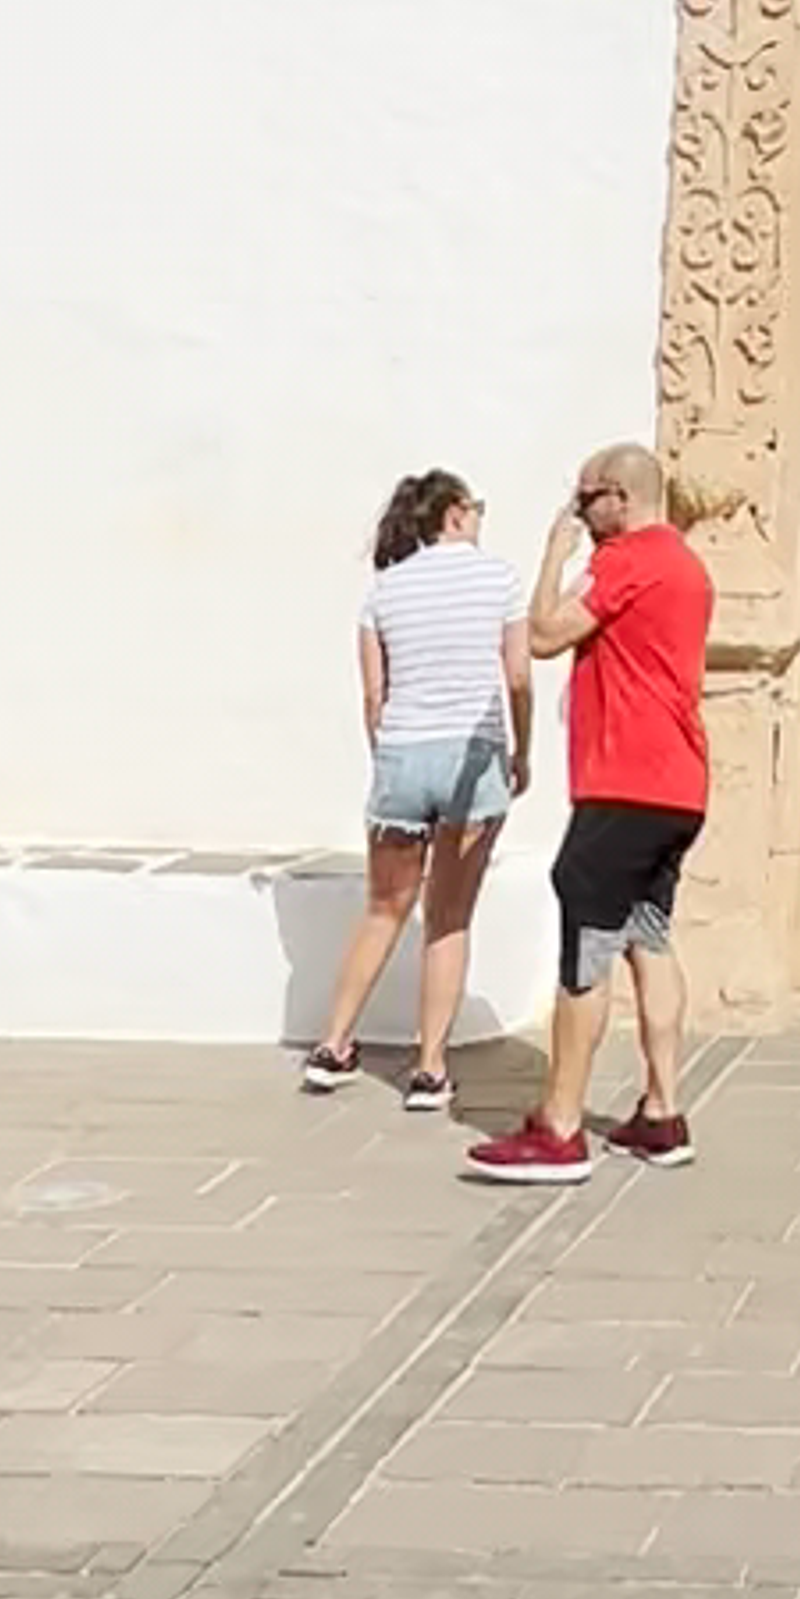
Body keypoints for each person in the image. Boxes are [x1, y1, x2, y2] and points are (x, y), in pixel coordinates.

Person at [463, 441, 712, 1183]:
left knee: (586, 955)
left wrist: (553, 553)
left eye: (586, 497)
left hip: (622, 784)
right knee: (650, 940)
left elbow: (542, 636)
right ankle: (663, 1111)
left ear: (621, 498)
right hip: (679, 786)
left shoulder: (627, 558)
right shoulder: (688, 566)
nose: (579, 509)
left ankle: (560, 1125)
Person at [300, 472, 533, 1116]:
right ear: (455, 514)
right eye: (477, 508)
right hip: (471, 757)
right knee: (450, 917)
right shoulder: (499, 578)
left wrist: (390, 760)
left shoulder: (383, 591)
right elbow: (517, 676)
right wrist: (523, 750)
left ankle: (333, 1045)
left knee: (384, 909)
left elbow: (374, 696)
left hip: (403, 757)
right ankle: (430, 1068)